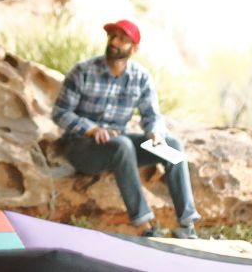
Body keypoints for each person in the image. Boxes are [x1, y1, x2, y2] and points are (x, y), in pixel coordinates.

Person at [51, 19, 201, 238]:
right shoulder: (83, 71)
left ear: (134, 48)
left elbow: (151, 116)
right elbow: (60, 113)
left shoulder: (140, 78)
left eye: (122, 39)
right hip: (81, 148)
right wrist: (91, 130)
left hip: (119, 150)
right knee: (122, 145)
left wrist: (155, 134)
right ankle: (144, 226)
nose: (114, 42)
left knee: (173, 146)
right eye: (112, 36)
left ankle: (186, 225)